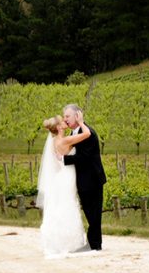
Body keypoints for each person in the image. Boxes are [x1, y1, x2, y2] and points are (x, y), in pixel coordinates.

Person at [37, 115, 90, 258]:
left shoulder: (54, 141)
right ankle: (68, 242)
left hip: (61, 176)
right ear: (59, 127)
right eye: (62, 121)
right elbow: (87, 134)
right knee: (68, 204)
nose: (65, 121)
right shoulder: (65, 140)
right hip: (67, 175)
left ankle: (59, 241)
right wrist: (80, 122)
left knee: (62, 205)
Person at [61, 104, 107, 251]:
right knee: (89, 212)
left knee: (94, 213)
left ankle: (94, 245)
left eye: (67, 116)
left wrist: (63, 160)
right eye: (64, 116)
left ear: (77, 116)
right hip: (83, 180)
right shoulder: (74, 133)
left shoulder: (88, 133)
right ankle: (94, 244)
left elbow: (84, 157)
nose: (65, 119)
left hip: (92, 179)